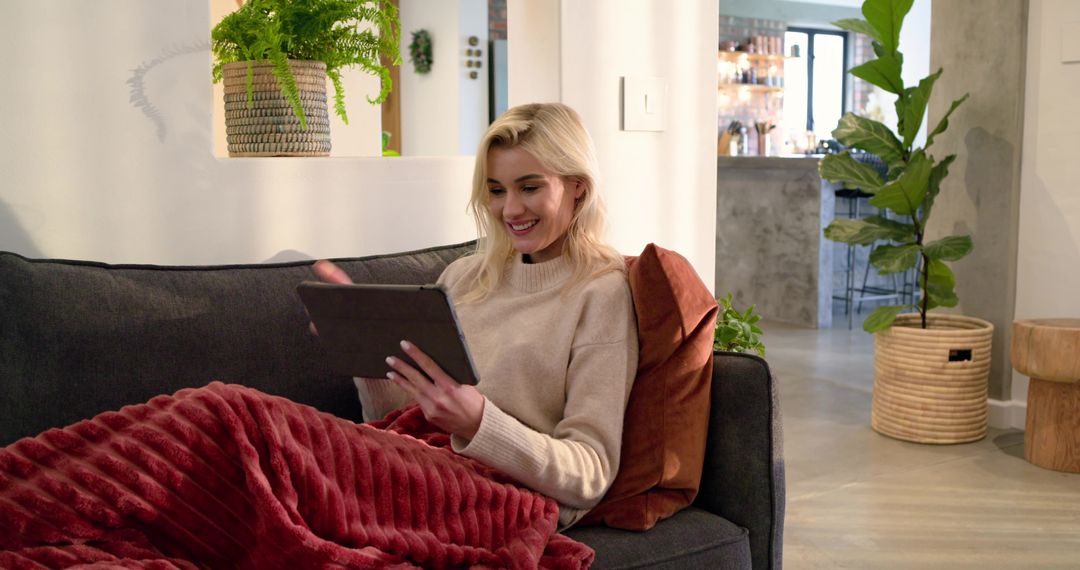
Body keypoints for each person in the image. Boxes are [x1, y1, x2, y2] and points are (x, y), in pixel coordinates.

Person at [312, 102, 638, 529]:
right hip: (407, 466)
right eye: (497, 190)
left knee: (237, 423)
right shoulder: (466, 276)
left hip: (487, 496)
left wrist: (479, 422)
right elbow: (394, 423)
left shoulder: (601, 293)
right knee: (228, 421)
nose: (511, 210)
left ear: (577, 185)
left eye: (529, 187)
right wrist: (367, 354)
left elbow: (589, 474)